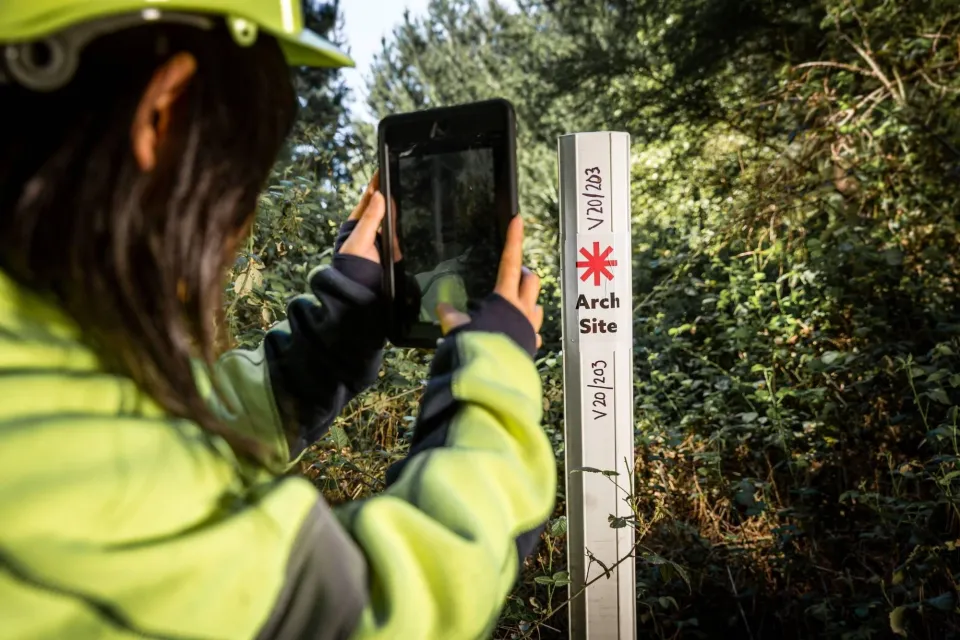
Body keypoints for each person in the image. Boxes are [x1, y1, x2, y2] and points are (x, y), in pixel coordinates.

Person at [0, 2, 556, 639]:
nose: (237, 231)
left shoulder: (35, 371)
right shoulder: (84, 464)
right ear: (164, 112)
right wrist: (490, 396)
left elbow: (157, 436)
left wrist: (327, 342)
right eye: (246, 179)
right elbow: (376, 617)